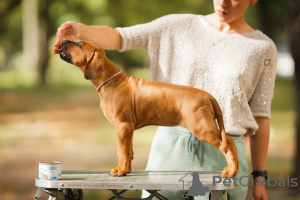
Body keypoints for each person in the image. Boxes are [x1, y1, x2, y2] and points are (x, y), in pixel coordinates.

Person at [53, 0, 277, 199]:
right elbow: (121, 37)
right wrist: (79, 30)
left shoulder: (262, 48)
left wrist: (259, 178)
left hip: (220, 158)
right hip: (169, 151)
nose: (223, 3)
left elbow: (261, 115)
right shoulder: (177, 25)